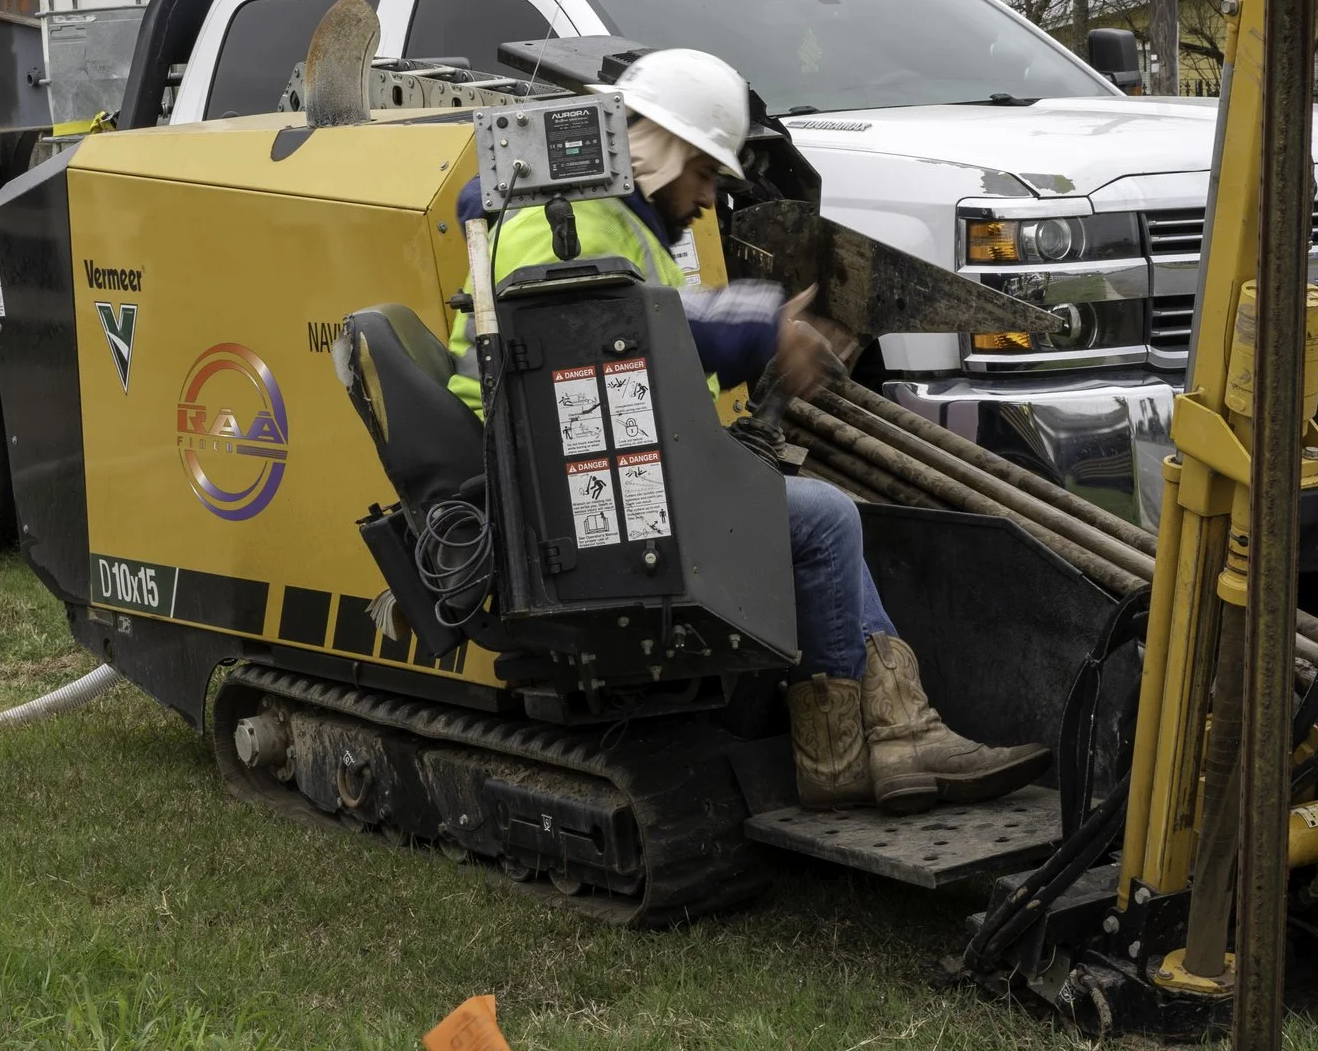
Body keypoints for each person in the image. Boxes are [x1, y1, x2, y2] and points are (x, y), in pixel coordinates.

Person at [446, 48, 1049, 814]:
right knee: (825, 519)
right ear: (658, 151)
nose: (706, 199)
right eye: (703, 173)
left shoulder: (594, 216)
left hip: (588, 470)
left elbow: (635, 333)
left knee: (800, 505)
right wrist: (760, 327)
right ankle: (864, 746)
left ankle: (890, 740)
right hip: (563, 491)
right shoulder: (558, 221)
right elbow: (595, 322)